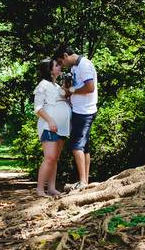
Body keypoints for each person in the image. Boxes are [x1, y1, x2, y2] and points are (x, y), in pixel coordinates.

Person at [53, 44, 97, 191]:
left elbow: (90, 87)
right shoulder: (75, 67)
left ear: (66, 56)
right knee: (84, 146)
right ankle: (85, 181)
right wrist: (67, 88)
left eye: (61, 62)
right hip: (78, 110)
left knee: (76, 145)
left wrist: (72, 90)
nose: (62, 65)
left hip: (85, 111)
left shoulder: (84, 65)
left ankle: (83, 181)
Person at [33, 58, 71, 197]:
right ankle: (40, 189)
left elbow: (68, 95)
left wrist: (68, 86)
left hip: (62, 128)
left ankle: (51, 188)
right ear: (49, 70)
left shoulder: (56, 86)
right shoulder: (43, 85)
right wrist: (50, 121)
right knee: (49, 158)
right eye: (56, 65)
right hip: (49, 126)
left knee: (55, 158)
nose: (60, 67)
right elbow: (38, 108)